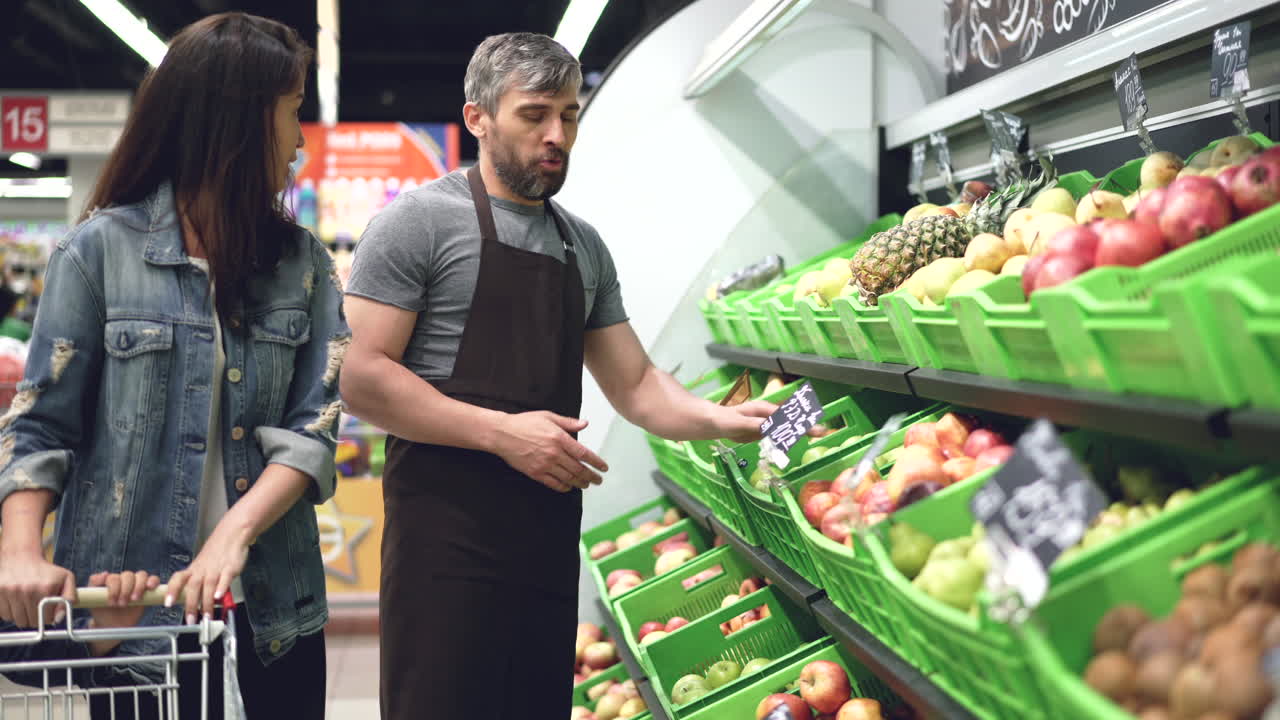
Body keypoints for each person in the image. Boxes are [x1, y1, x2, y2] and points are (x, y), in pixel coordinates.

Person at [340, 32, 776, 719]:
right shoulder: (416, 225)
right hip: (443, 543)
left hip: (543, 540)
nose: (557, 135)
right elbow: (361, 376)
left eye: (569, 115)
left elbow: (635, 384)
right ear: (478, 117)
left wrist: (721, 419)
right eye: (535, 114)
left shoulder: (582, 246)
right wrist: (502, 435)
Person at [0, 12, 347, 719]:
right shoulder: (94, 256)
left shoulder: (301, 264)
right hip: (134, 617)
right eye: (290, 112)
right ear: (239, 123)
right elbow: (40, 428)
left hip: (273, 610)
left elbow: (313, 427)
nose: (298, 139)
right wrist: (19, 553)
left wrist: (231, 536)